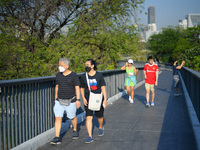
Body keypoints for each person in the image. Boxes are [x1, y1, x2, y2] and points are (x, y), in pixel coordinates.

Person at [50, 58, 81, 145]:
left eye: (62, 65)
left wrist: (78, 100)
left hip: (71, 101)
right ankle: (57, 137)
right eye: (59, 65)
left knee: (72, 117)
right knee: (58, 118)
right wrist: (56, 98)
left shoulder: (74, 75)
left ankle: (75, 129)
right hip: (59, 101)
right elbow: (57, 86)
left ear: (67, 66)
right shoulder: (58, 75)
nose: (60, 67)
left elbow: (77, 88)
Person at [80, 59, 108, 144]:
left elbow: (103, 88)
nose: (86, 66)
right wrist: (83, 98)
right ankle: (90, 136)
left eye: (88, 64)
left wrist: (105, 99)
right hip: (88, 99)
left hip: (98, 98)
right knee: (88, 117)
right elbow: (82, 88)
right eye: (85, 65)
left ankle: (100, 127)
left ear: (92, 66)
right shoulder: (83, 76)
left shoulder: (99, 75)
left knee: (99, 116)